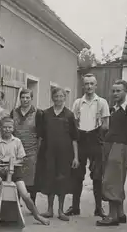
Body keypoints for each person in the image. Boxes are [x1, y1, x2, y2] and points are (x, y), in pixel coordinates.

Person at [0, 117, 50, 226]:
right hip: (0, 169)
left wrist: (12, 165)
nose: (7, 130)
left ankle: (37, 215)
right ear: (0, 128)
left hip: (15, 170)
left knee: (25, 194)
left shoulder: (17, 142)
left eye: (9, 127)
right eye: (4, 127)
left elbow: (22, 159)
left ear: (13, 128)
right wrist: (0, 168)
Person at [96, 80, 127, 226]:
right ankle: (120, 214)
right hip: (110, 146)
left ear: (125, 92)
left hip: (120, 146)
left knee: (111, 181)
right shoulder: (112, 109)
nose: (115, 94)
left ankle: (112, 216)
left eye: (119, 91)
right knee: (115, 181)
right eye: (114, 91)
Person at [66, 74, 110, 218]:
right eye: (86, 84)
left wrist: (96, 131)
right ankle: (75, 207)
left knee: (97, 175)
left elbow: (106, 125)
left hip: (95, 139)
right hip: (80, 139)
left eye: (92, 84)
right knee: (77, 175)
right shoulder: (78, 103)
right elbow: (74, 123)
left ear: (96, 86)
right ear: (83, 86)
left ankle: (98, 208)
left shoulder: (102, 102)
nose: (89, 87)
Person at [35, 87, 79, 221]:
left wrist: (76, 157)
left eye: (61, 96)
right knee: (49, 179)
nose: (58, 99)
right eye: (56, 96)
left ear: (64, 98)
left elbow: (74, 138)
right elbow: (40, 136)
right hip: (48, 152)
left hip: (65, 154)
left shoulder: (70, 115)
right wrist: (38, 153)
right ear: (52, 98)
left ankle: (60, 210)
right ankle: (49, 210)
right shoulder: (45, 114)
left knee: (62, 180)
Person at [10, 88, 42, 205]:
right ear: (20, 98)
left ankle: (32, 203)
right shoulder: (14, 112)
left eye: (27, 97)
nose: (25, 100)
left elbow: (40, 135)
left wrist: (38, 151)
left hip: (31, 150)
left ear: (31, 99)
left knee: (32, 178)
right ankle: (16, 203)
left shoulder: (37, 113)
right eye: (23, 97)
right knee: (17, 176)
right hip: (17, 150)